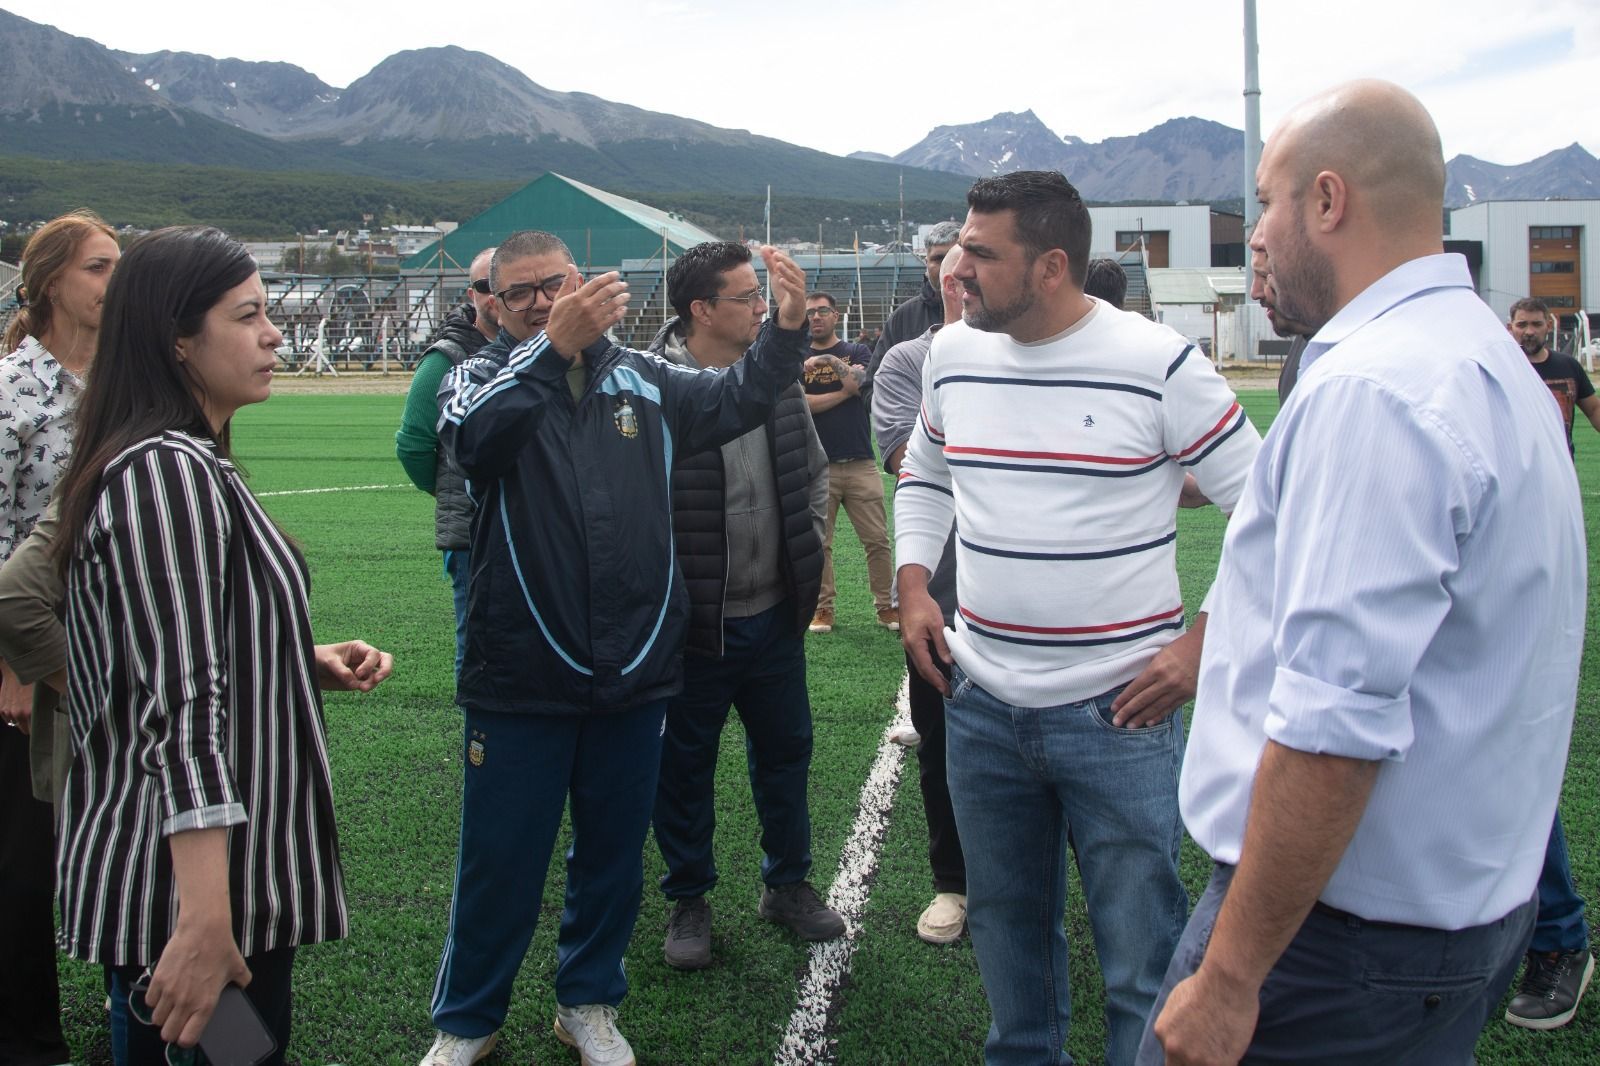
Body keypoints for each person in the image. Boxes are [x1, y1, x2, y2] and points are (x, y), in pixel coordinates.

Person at [1144, 81, 1586, 1065]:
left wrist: (1227, 978)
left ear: (1329, 201)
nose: (1254, 236)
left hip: (1337, 941)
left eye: (1266, 202)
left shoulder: (1377, 388)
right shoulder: (1480, 357)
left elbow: (1332, 725)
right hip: (1448, 920)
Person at [896, 170, 1260, 1066]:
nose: (957, 268)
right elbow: (926, 473)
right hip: (979, 704)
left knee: (1140, 955)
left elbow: (1267, 512)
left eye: (981, 253)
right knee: (1009, 938)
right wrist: (912, 584)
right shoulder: (951, 354)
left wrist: (1202, 646)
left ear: (1051, 264)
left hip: (1119, 711)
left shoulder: (1159, 362)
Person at [423, 234, 812, 1066]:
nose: (537, 301)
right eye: (517, 291)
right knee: (502, 860)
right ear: (492, 303)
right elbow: (476, 444)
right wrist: (549, 350)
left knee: (610, 856)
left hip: (635, 665)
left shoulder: (645, 376)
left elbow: (739, 397)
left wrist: (782, 328)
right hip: (520, 668)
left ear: (583, 282)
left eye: (551, 285)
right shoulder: (474, 378)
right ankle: (467, 1020)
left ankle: (587, 1001)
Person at [49, 225, 393, 1066]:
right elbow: (182, 707)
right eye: (249, 316)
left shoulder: (185, 458)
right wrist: (206, 921)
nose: (275, 334)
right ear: (176, 340)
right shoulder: (166, 472)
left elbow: (165, 646)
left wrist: (295, 657)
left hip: (207, 885)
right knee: (230, 1058)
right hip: (196, 895)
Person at [645, 240, 842, 970]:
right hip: (694, 625)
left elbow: (812, 471)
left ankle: (786, 885)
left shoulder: (778, 377)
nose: (762, 307)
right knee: (685, 766)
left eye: (762, 296)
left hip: (773, 614)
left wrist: (809, 552)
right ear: (700, 310)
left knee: (786, 753)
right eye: (746, 297)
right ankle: (688, 897)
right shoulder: (652, 384)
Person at [0, 208, 119, 1066]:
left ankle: (165, 1027)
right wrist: (12, 667)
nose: (115, 284)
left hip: (109, 653)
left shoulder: (118, 385)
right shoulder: (12, 393)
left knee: (123, 848)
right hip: (28, 656)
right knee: (22, 867)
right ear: (49, 286)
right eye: (99, 268)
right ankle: (27, 1040)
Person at [871, 245, 968, 945]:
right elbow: (910, 459)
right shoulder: (909, 359)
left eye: (978, 272)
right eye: (954, 278)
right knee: (941, 745)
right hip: (942, 591)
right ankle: (953, 884)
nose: (966, 287)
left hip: (1039, 607)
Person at [395, 247, 499, 674]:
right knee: (477, 645)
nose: (495, 295)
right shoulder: (447, 358)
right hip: (473, 533)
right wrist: (455, 488)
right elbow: (414, 446)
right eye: (483, 286)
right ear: (471, 295)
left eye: (505, 286)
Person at [802, 291, 894, 633]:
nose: (816, 317)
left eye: (823, 310)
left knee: (877, 540)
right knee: (819, 545)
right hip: (817, 466)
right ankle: (823, 609)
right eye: (810, 312)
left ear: (836, 315)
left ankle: (887, 605)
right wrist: (843, 391)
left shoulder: (857, 351)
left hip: (859, 462)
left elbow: (861, 384)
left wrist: (827, 363)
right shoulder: (797, 356)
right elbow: (803, 405)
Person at [869, 220, 961, 377]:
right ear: (926, 264)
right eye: (938, 259)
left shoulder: (989, 314)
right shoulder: (903, 317)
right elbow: (872, 385)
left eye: (954, 257)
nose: (946, 266)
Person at [1510, 296, 1600, 453]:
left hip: (1562, 471)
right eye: (1522, 325)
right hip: (1515, 473)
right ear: (1510, 328)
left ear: (1549, 326)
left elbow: (1594, 410)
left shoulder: (1568, 366)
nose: (1529, 331)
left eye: (1536, 324)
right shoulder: (1501, 368)